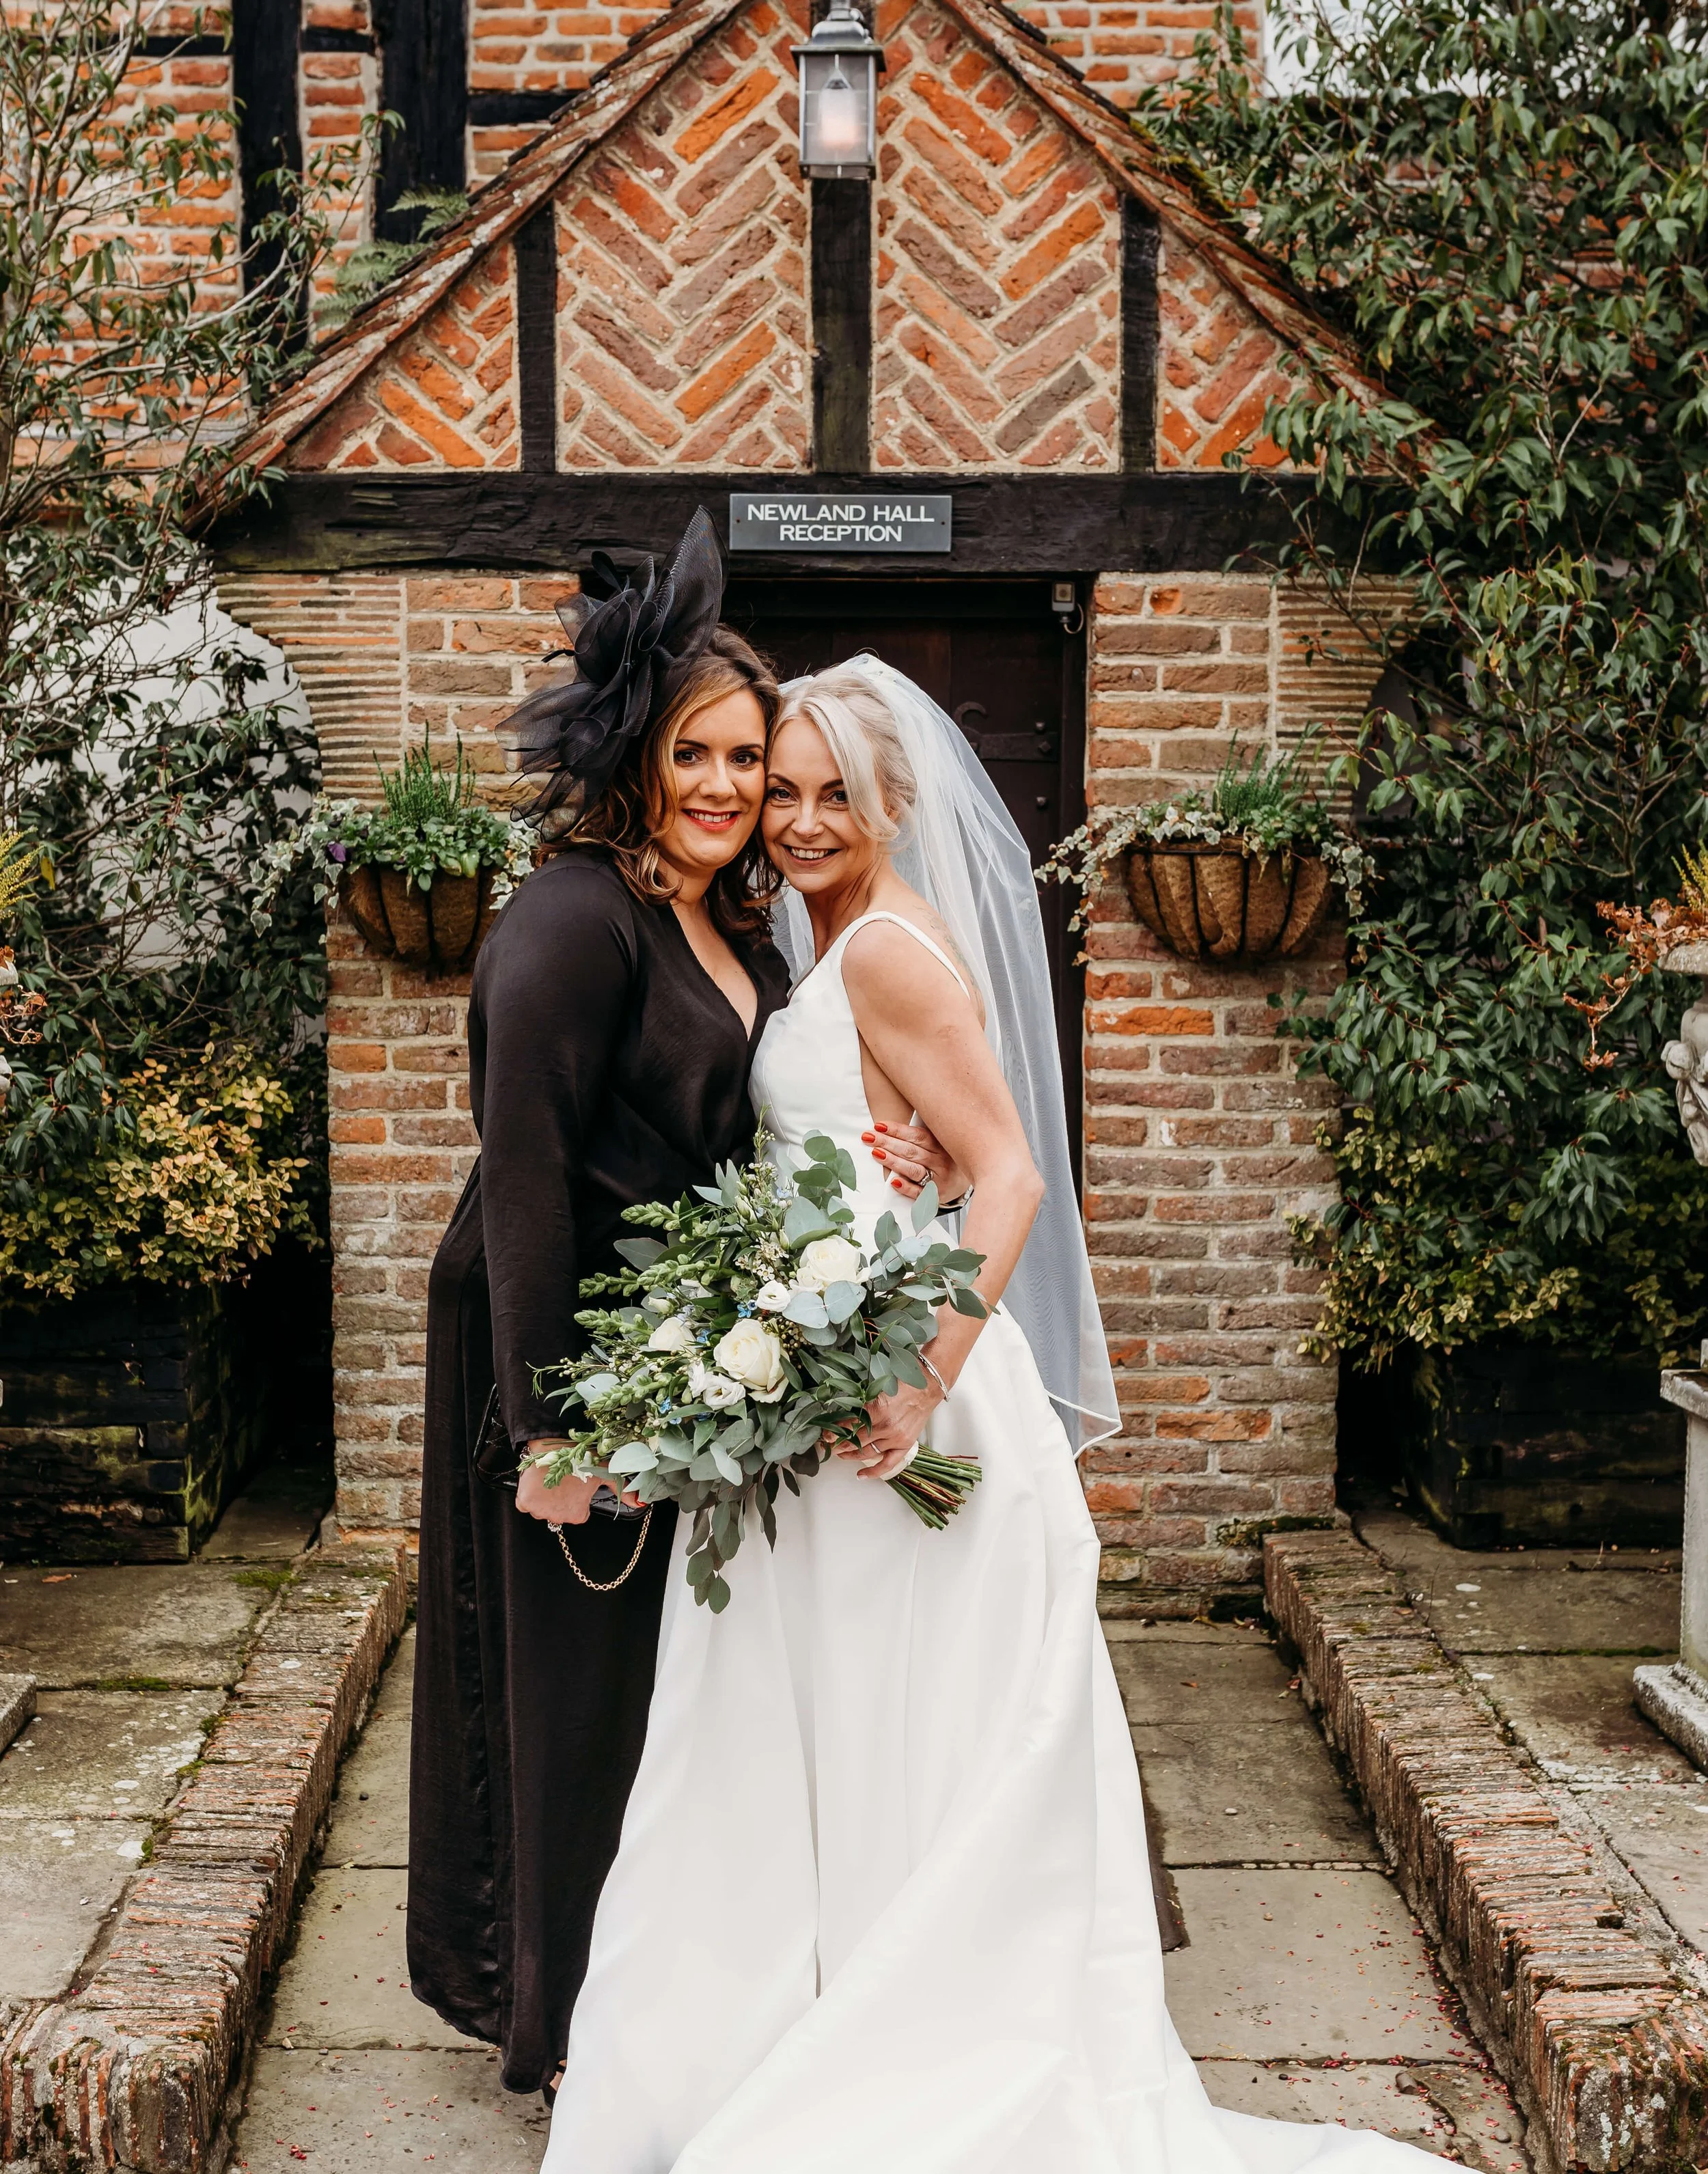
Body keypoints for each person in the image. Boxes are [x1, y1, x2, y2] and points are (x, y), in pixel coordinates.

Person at [540, 655, 1442, 2171]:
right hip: (829, 1382)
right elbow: (915, 1151)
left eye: (837, 792)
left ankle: (902, 2055)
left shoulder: (885, 949)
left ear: (895, 799)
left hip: (910, 1418)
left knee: (921, 1731)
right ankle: (812, 2020)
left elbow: (1010, 1168)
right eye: (784, 789)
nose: (803, 817)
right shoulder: (802, 935)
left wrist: (918, 1375)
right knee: (834, 1721)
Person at [409, 518, 956, 2100]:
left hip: (677, 1348)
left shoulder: (720, 926)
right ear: (632, 761)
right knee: (568, 1701)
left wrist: (885, 1135)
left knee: (656, 1697)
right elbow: (520, 1179)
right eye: (698, 756)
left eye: (748, 760)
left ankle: (651, 1998)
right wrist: (547, 1426)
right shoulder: (569, 921)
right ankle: (559, 2023)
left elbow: (752, 1122)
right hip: (556, 1343)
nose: (729, 789)